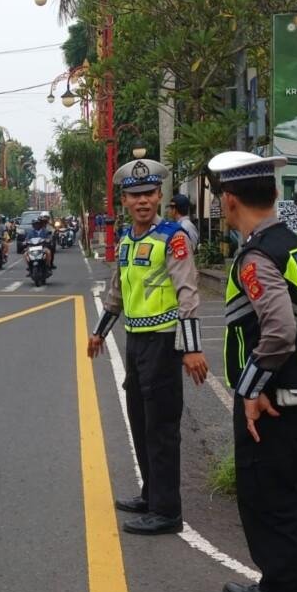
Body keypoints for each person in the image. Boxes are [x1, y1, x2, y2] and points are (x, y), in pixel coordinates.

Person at [208, 151, 297, 592]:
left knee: (269, 506)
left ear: (229, 200)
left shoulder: (258, 256)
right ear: (273, 194)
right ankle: (275, 589)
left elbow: (278, 331)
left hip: (274, 399)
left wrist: (252, 389)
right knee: (280, 500)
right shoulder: (293, 244)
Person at [87, 159, 208, 536]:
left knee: (161, 427)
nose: (142, 201)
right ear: (124, 201)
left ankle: (167, 511)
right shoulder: (127, 240)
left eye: (149, 194)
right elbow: (117, 293)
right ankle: (151, 494)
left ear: (159, 197)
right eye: (134, 195)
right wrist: (99, 332)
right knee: (139, 420)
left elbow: (187, 294)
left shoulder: (173, 238)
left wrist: (191, 348)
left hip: (164, 342)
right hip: (136, 342)